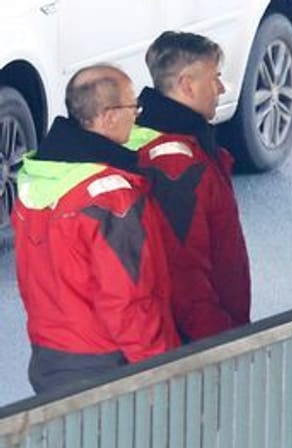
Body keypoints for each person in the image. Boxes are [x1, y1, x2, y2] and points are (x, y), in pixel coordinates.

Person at [10, 65, 179, 395]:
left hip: (49, 357)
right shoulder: (111, 197)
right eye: (134, 107)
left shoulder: (42, 179)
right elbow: (128, 302)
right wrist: (164, 372)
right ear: (109, 117)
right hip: (107, 366)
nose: (137, 116)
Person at [130, 31, 251, 342]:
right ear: (186, 84)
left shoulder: (171, 141)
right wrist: (221, 342)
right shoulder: (175, 163)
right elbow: (185, 274)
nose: (222, 88)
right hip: (200, 342)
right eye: (216, 77)